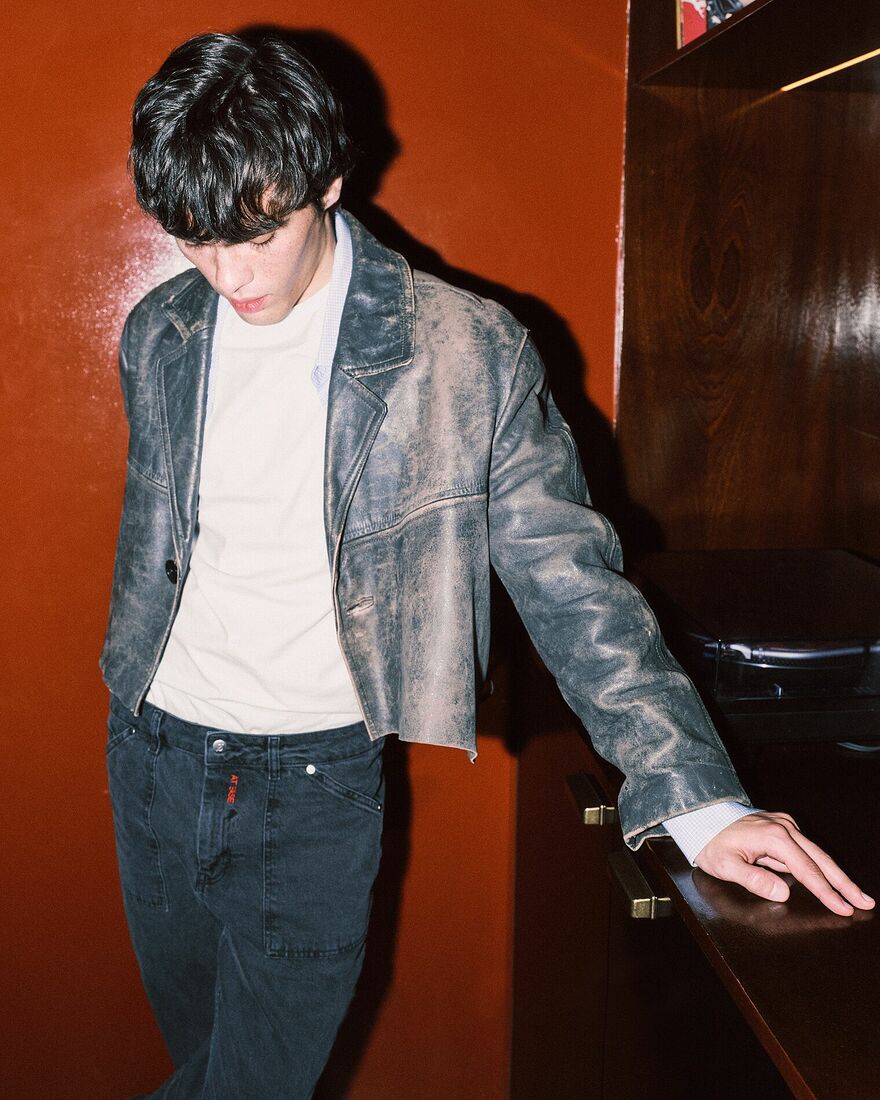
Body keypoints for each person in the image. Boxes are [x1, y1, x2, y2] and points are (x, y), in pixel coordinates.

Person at [102, 31, 873, 1100]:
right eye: (194, 240)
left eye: (258, 233)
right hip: (149, 754)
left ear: (328, 180)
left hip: (310, 787)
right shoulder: (161, 328)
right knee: (198, 1060)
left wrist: (695, 796)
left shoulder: (465, 351)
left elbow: (573, 583)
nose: (227, 274)